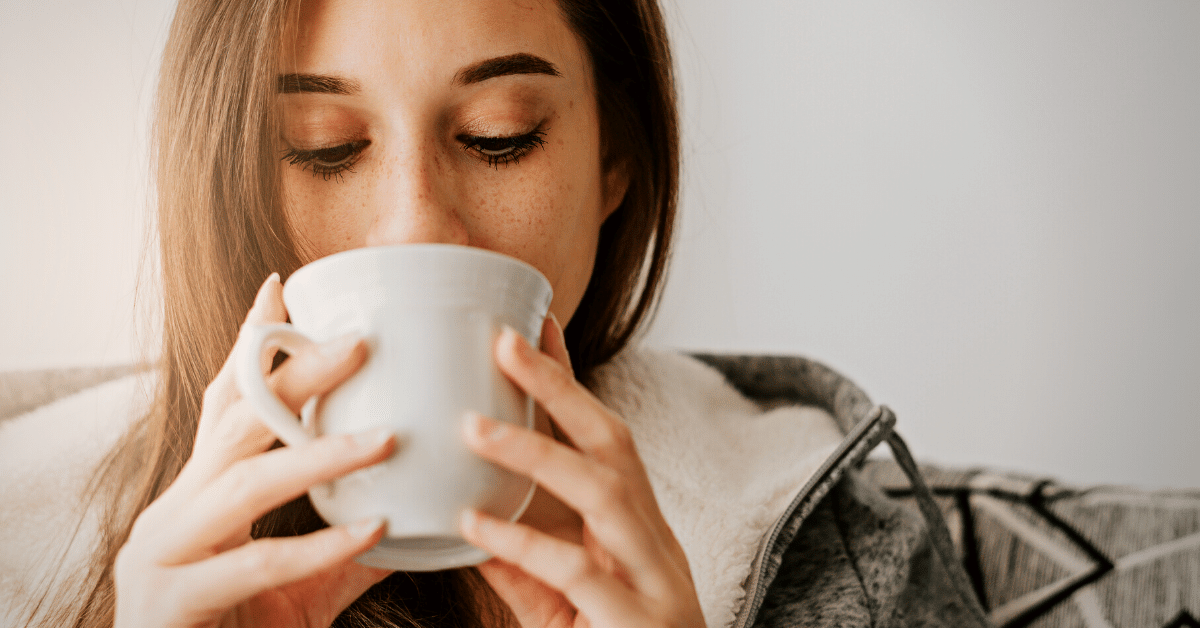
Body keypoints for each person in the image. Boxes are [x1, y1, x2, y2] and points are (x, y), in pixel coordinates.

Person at [8, 0, 992, 626]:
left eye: (498, 136)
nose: (413, 226)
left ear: (616, 163)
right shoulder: (23, 542)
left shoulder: (839, 547)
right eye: (321, 145)